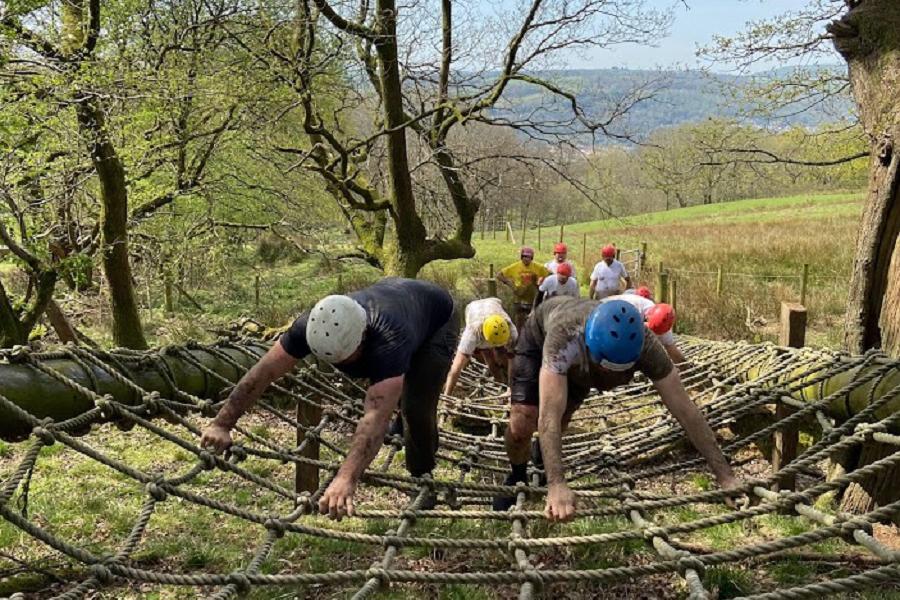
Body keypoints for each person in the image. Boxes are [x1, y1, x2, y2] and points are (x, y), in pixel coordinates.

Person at [200, 278, 459, 520]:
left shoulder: (389, 341)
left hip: (437, 320)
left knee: (417, 406)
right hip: (396, 295)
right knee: (397, 391)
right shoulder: (308, 326)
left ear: (363, 339)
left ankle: (421, 477)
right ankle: (401, 423)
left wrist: (346, 478)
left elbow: (375, 416)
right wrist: (222, 424)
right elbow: (263, 372)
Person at [494, 297, 738, 520]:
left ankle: (541, 457)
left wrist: (725, 476)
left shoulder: (647, 346)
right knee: (523, 422)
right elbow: (548, 414)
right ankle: (517, 473)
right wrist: (557, 485)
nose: (611, 378)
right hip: (539, 338)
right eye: (607, 369)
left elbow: (686, 410)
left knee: (564, 422)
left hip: (582, 364)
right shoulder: (565, 338)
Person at [443, 298, 517, 395]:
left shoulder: (511, 330)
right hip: (473, 310)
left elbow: (513, 360)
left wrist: (511, 388)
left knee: (503, 357)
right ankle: (500, 383)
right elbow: (456, 368)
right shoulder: (472, 334)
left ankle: (506, 384)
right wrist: (447, 394)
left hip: (494, 303)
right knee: (488, 358)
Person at [604, 293, 685, 363]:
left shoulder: (665, 329)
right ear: (647, 316)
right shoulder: (631, 307)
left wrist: (685, 366)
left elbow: (672, 350)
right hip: (605, 312)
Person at [497, 247, 550, 332]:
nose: (526, 259)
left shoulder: (537, 267)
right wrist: (510, 285)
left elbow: (550, 275)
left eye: (529, 257)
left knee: (533, 323)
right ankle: (519, 341)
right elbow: (499, 275)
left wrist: (541, 284)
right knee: (519, 323)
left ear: (532, 258)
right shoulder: (515, 266)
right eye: (524, 256)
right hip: (519, 298)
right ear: (521, 257)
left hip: (532, 299)